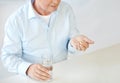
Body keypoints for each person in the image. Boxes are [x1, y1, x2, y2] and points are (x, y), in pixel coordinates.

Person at [1, 0, 94, 81]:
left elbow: (71, 42)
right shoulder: (16, 20)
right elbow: (8, 56)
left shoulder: (66, 10)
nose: (56, 1)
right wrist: (28, 68)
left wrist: (75, 43)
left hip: (62, 74)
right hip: (31, 79)